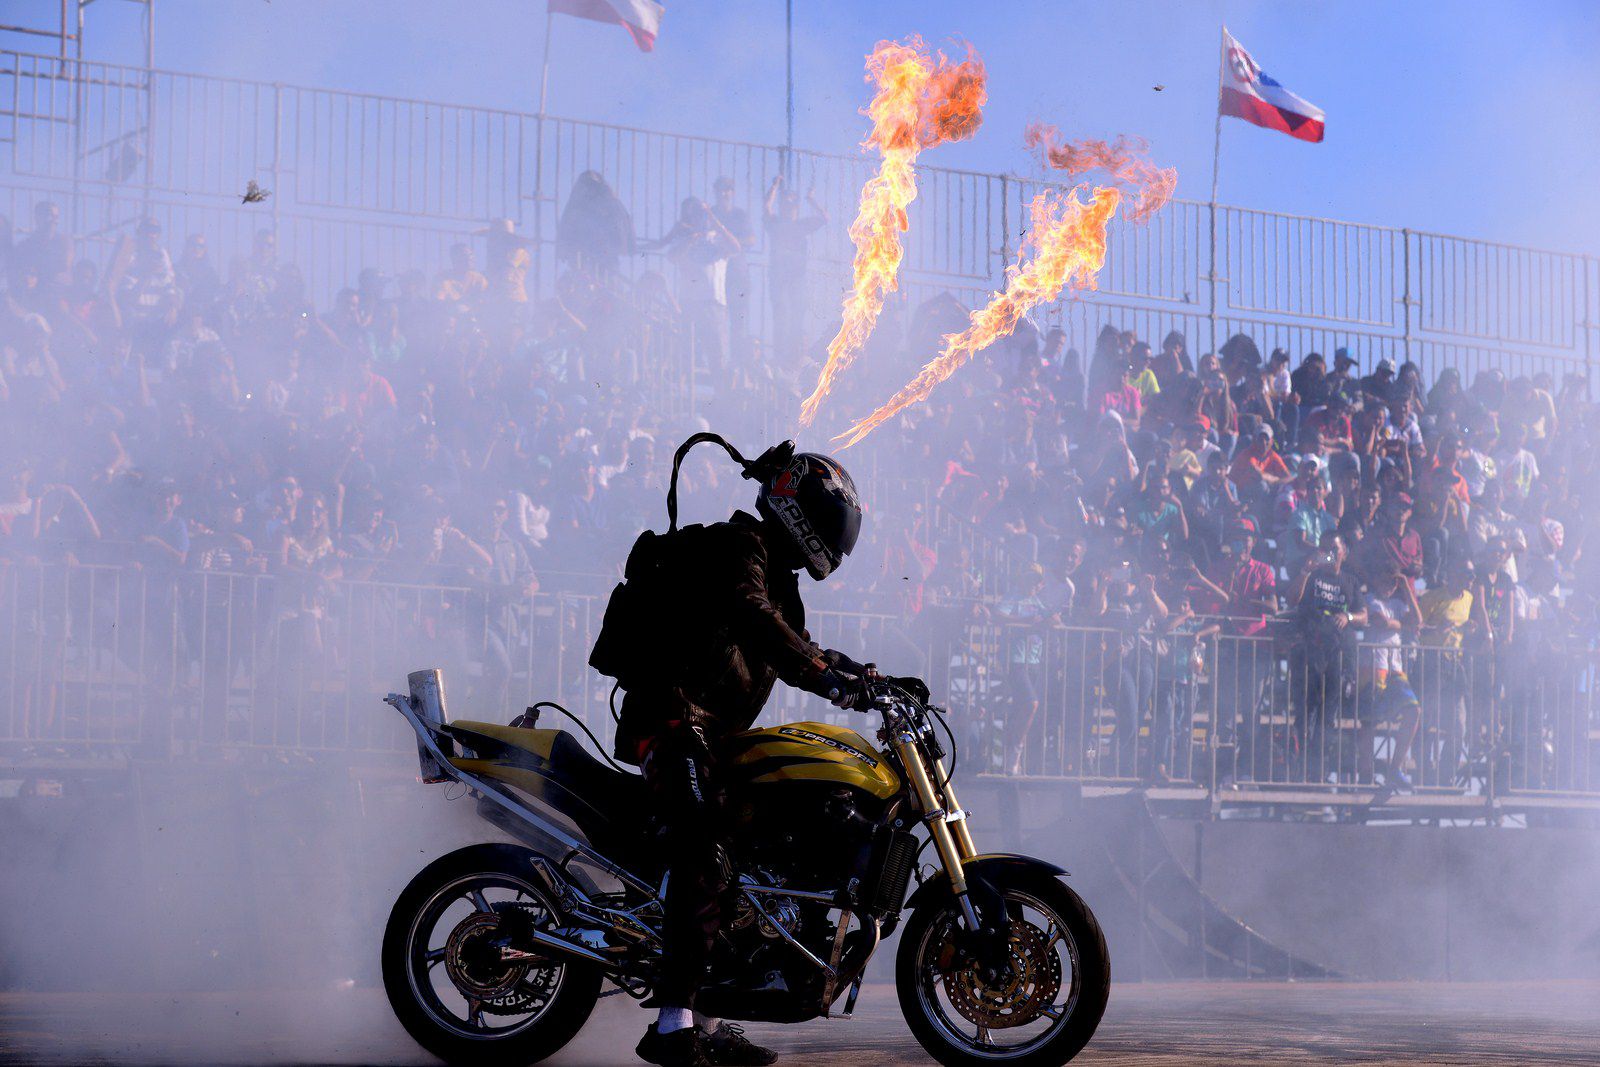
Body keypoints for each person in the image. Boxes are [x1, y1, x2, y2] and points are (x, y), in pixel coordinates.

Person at [619, 448, 870, 1067]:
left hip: (712, 734)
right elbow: (758, 623)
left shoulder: (778, 579)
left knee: (750, 853)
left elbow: (797, 647)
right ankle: (675, 1026)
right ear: (799, 509)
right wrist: (823, 672)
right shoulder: (740, 549)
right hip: (673, 720)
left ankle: (707, 1013)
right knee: (705, 850)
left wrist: (863, 675)